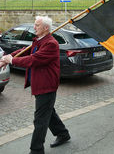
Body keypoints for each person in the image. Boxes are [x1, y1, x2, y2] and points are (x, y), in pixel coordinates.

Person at [0, 16, 70, 154]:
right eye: (34, 24)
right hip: (39, 85)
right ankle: (63, 134)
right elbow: (25, 51)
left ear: (46, 28)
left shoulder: (51, 44)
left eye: (37, 25)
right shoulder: (39, 41)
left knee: (40, 120)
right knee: (48, 113)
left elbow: (34, 59)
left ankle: (36, 150)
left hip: (47, 86)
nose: (34, 27)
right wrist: (5, 59)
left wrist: (12, 60)